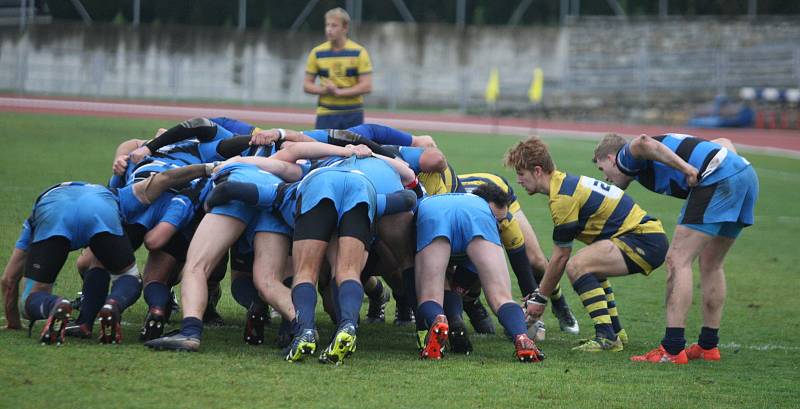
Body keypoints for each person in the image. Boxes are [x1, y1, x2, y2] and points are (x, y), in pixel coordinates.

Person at [1, 164, 214, 345]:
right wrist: (206, 168)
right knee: (127, 276)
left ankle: (55, 306)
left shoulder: (34, 217)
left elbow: (9, 280)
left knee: (32, 297)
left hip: (53, 212)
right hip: (100, 207)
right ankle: (113, 304)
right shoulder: (118, 195)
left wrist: (13, 322)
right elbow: (165, 179)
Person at [592, 133, 758, 364]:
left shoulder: (624, 157)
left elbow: (642, 141)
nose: (605, 177)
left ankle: (672, 349)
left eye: (602, 169)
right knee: (711, 263)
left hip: (719, 176)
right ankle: (708, 346)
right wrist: (732, 172)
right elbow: (724, 142)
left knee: (677, 259)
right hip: (746, 175)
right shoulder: (657, 152)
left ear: (610, 158)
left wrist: (688, 169)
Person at [505, 136, 669, 352]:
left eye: (521, 174)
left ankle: (606, 338)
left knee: (577, 265)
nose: (518, 180)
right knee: (591, 264)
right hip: (647, 237)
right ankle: (615, 332)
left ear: (537, 171)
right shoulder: (565, 184)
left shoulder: (562, 197)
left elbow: (560, 257)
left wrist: (540, 298)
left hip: (643, 239)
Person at [413, 184, 544, 362]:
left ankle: (439, 318)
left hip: (433, 213)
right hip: (478, 214)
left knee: (430, 296)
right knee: (501, 298)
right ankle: (521, 337)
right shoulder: (491, 211)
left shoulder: (426, 200)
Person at [303, 7, 373, 130]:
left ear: (345, 28)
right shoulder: (317, 52)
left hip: (353, 113)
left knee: (353, 149)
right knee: (323, 149)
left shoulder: (359, 52)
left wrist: (339, 92)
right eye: (327, 25)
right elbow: (307, 85)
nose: (329, 29)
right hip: (326, 113)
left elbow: (367, 86)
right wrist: (325, 90)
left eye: (334, 25)